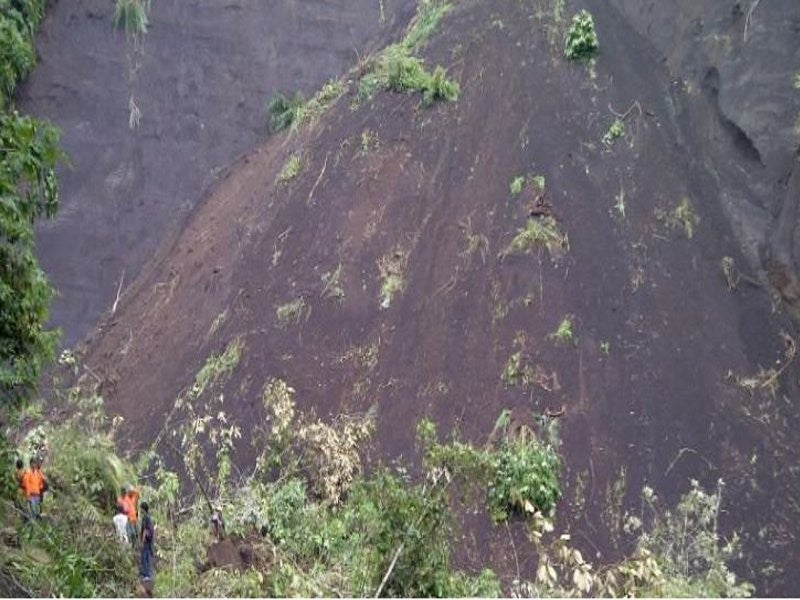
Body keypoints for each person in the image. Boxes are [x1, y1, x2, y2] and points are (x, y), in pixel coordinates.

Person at [139, 502, 155, 582]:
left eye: (141, 508)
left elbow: (145, 530)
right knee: (147, 556)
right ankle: (147, 574)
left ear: (143, 509)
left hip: (146, 540)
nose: (140, 510)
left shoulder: (145, 518)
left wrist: (142, 541)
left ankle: (147, 575)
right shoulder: (148, 517)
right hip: (149, 540)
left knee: (145, 557)